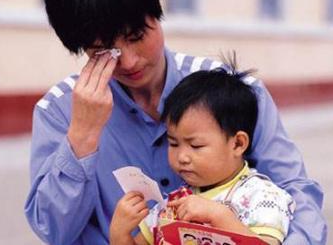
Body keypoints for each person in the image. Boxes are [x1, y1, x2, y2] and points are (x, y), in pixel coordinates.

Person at [24, 0, 327, 245]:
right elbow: (54, 232)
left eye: (136, 37)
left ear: (157, 14)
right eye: (103, 51)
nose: (128, 62)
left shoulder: (232, 89)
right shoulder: (59, 111)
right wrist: (83, 136)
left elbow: (296, 192)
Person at [109, 65, 296, 245]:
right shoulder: (172, 204)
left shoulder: (262, 197)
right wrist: (119, 233)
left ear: (238, 143)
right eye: (173, 143)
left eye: (195, 145)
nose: (182, 156)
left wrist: (220, 217)